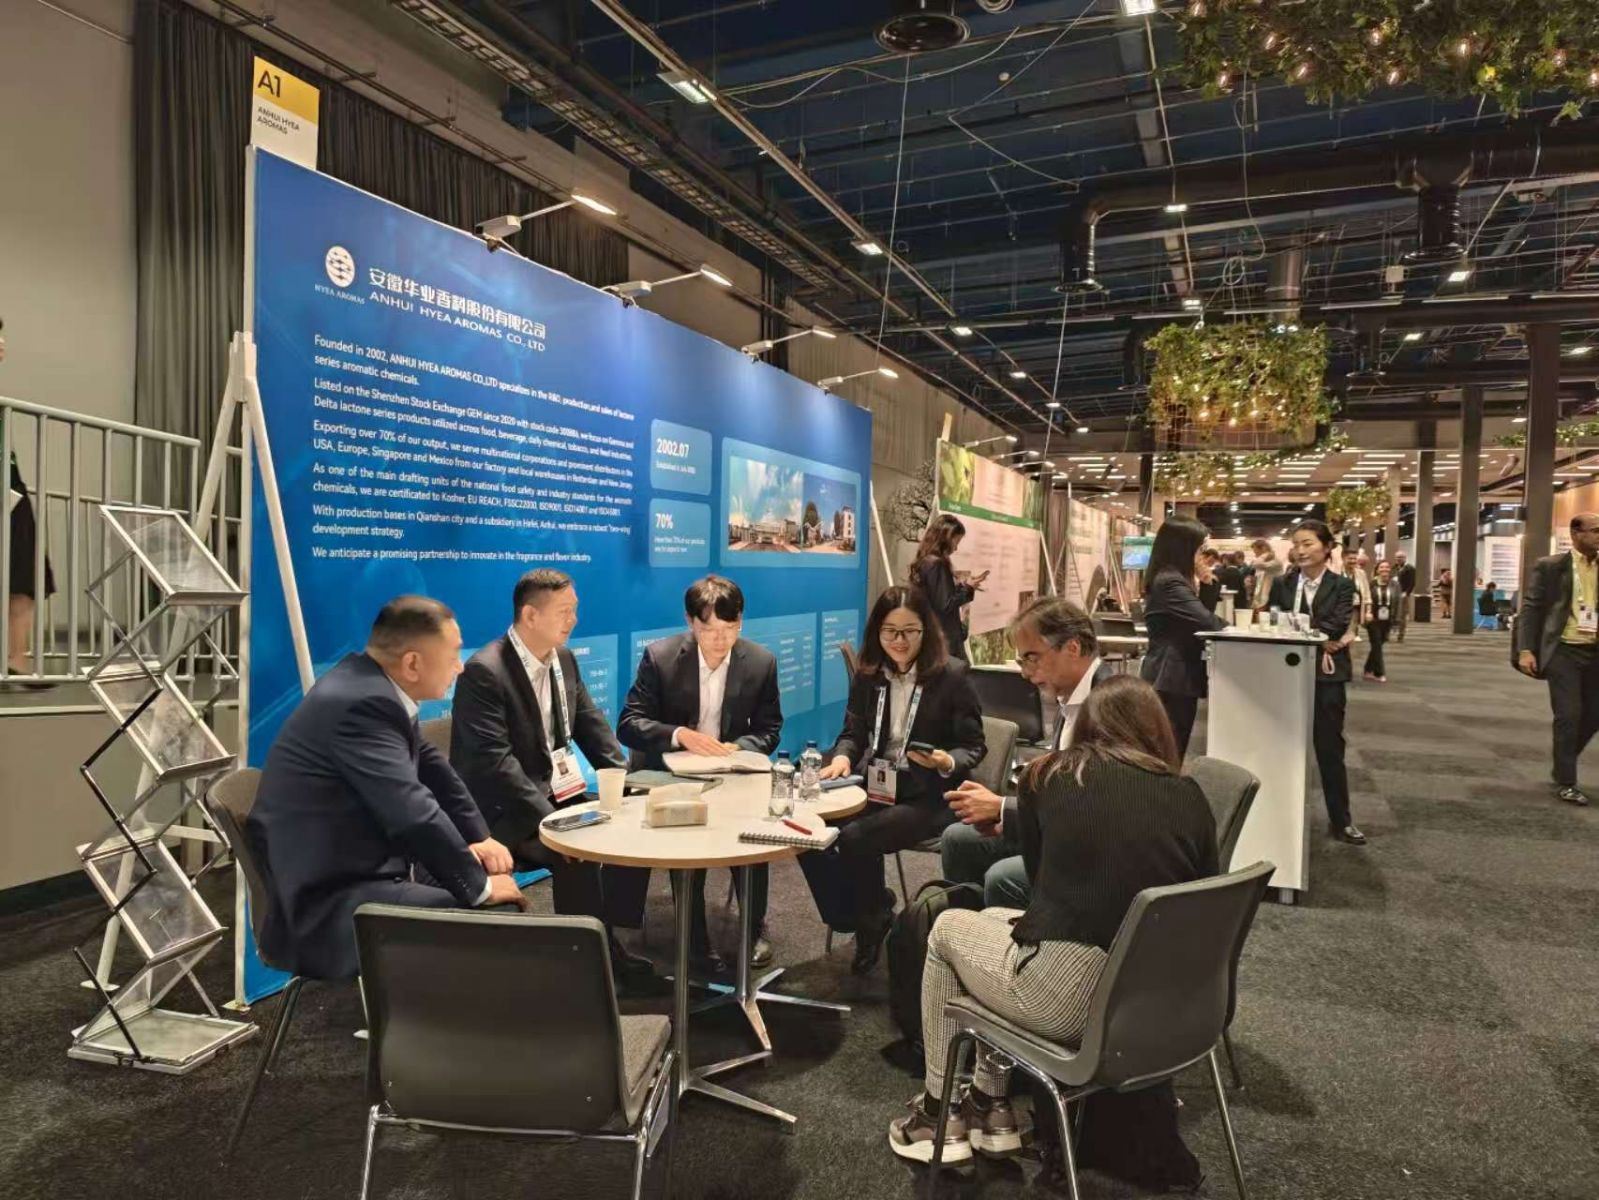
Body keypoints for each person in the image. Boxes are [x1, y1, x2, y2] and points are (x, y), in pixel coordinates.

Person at [888, 676, 1217, 1192]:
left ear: (1087, 727)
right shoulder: (1190, 795)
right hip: (1171, 1009)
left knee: (947, 929)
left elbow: (1043, 893)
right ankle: (990, 1106)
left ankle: (939, 1114)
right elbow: (1201, 895)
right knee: (994, 920)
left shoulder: (1052, 776)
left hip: (1073, 1005)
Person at [247, 597, 521, 981]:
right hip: (329, 901)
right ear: (412, 664)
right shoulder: (362, 705)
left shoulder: (369, 686)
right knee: (492, 915)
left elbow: (433, 769)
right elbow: (413, 811)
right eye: (453, 655)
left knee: (481, 880)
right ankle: (440, 1017)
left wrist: (479, 836)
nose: (460, 667)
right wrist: (479, 889)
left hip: (358, 863)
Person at [450, 569, 659, 991]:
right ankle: (584, 964)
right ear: (530, 615)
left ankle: (606, 942)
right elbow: (496, 764)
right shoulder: (485, 671)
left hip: (552, 794)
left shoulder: (562, 658)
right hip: (502, 811)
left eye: (574, 610)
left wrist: (624, 781)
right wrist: (554, 821)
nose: (573, 620)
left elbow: (591, 725)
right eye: (564, 612)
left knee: (623, 825)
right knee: (576, 851)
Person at [805, 586, 986, 973]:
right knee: (808, 830)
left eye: (909, 631)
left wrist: (944, 760)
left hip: (931, 794)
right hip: (878, 783)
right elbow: (853, 732)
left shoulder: (952, 675)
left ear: (926, 631)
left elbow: (973, 746)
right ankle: (860, 913)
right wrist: (842, 757)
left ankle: (869, 921)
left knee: (855, 837)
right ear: (877, 631)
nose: (899, 642)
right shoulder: (869, 675)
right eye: (890, 631)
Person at [618, 575, 783, 972]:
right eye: (709, 629)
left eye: (730, 628)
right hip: (670, 774)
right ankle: (693, 936)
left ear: (741, 621)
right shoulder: (660, 657)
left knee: (754, 832)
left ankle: (754, 925)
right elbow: (629, 724)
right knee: (686, 838)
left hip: (731, 771)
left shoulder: (760, 662)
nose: (720, 639)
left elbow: (770, 729)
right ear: (690, 622)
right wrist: (680, 735)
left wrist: (739, 748)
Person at [939, 596, 1102, 909]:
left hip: (1093, 851)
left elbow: (1092, 807)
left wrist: (1004, 810)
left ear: (1072, 648)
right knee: (957, 839)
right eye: (1022, 661)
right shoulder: (1072, 697)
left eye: (1032, 658)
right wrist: (1011, 814)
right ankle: (966, 929)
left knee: (1003, 878)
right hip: (1063, 828)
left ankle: (1014, 938)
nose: (1026, 673)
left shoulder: (1110, 703)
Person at [1270, 520, 1364, 845]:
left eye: (1307, 543)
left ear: (1327, 547)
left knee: (1329, 748)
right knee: (1280, 746)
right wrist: (1316, 634)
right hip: (1286, 673)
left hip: (1327, 676)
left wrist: (1301, 628)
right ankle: (1278, 818)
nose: (1300, 550)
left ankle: (1341, 820)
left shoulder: (1343, 586)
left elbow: (1337, 625)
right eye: (1296, 544)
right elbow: (1274, 623)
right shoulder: (1282, 584)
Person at [1515, 515, 1599, 806]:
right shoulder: (1551, 566)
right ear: (1576, 534)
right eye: (1595, 531)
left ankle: (1562, 760)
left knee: (1594, 715)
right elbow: (1532, 608)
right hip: (1563, 650)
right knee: (1569, 715)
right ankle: (1567, 781)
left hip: (1595, 650)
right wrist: (1526, 649)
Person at [1140, 517, 1226, 757]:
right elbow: (1208, 622)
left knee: (1172, 747)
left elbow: (1202, 618)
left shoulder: (1173, 578)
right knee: (1169, 749)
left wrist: (1207, 583)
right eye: (1199, 550)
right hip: (1170, 675)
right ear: (1183, 548)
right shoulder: (1170, 582)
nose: (1202, 557)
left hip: (1174, 674)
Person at [911, 514, 987, 663]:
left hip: (936, 639)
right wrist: (967, 588)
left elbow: (937, 597)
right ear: (946, 538)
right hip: (945, 642)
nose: (956, 548)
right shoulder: (937, 564)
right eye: (956, 541)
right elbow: (945, 604)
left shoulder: (926, 561)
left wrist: (963, 586)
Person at [1363, 560, 1402, 682]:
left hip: (1388, 619)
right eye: (1382, 567)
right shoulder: (1372, 584)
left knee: (1379, 644)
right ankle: (1379, 673)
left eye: (1387, 567)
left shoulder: (1395, 584)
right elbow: (1366, 599)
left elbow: (1398, 602)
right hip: (1373, 619)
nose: (1384, 569)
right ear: (1377, 570)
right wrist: (1366, 613)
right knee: (1376, 644)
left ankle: (1368, 669)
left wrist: (1397, 621)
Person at [1250, 538, 1283, 613]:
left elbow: (1256, 564)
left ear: (1263, 548)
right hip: (1264, 596)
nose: (1255, 555)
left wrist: (1266, 554)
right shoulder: (1265, 561)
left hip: (1274, 595)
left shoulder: (1275, 560)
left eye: (1256, 552)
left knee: (1272, 617)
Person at [1394, 550, 1416, 641]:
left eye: (1401, 557)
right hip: (1393, 594)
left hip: (1403, 595)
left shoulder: (1410, 568)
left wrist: (1406, 593)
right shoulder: (1394, 568)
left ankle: (1401, 634)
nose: (1399, 559)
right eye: (1397, 557)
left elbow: (1412, 582)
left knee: (1402, 615)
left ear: (1405, 558)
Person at [1194, 546, 1222, 613]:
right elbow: (1206, 578)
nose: (1212, 564)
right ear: (1211, 557)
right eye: (1213, 562)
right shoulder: (1200, 561)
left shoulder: (1201, 561)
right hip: (1203, 596)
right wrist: (1212, 578)